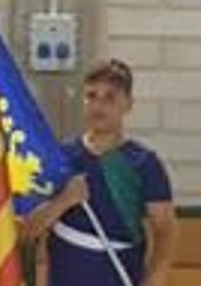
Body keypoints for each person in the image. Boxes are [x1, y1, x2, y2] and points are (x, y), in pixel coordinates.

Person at [25, 58, 178, 286]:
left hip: (120, 274)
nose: (98, 105)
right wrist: (64, 201)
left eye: (109, 97)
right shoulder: (61, 158)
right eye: (91, 96)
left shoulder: (144, 163)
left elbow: (165, 232)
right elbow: (29, 229)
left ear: (128, 104)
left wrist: (153, 281)